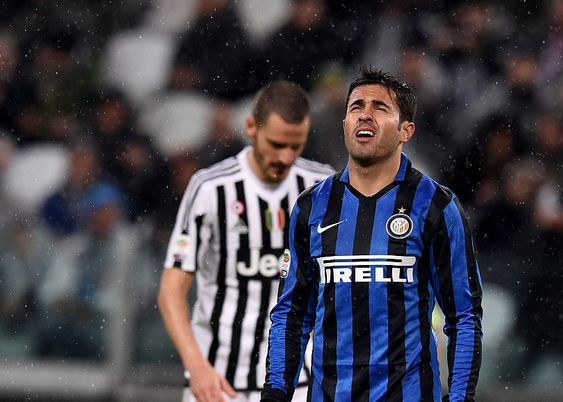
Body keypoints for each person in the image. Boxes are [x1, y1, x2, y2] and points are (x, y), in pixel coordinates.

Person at [262, 67, 483, 402]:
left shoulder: (436, 205)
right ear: (345, 125)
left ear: (406, 130)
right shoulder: (311, 206)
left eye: (380, 107)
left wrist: (461, 399)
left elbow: (463, 317)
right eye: (356, 107)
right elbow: (291, 315)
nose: (365, 115)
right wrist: (275, 393)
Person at [157, 80, 333, 402]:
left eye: (296, 146)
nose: (286, 157)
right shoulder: (210, 188)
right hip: (218, 383)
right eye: (276, 144)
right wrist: (195, 366)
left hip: (297, 384)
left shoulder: (322, 186)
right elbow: (171, 290)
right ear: (251, 127)